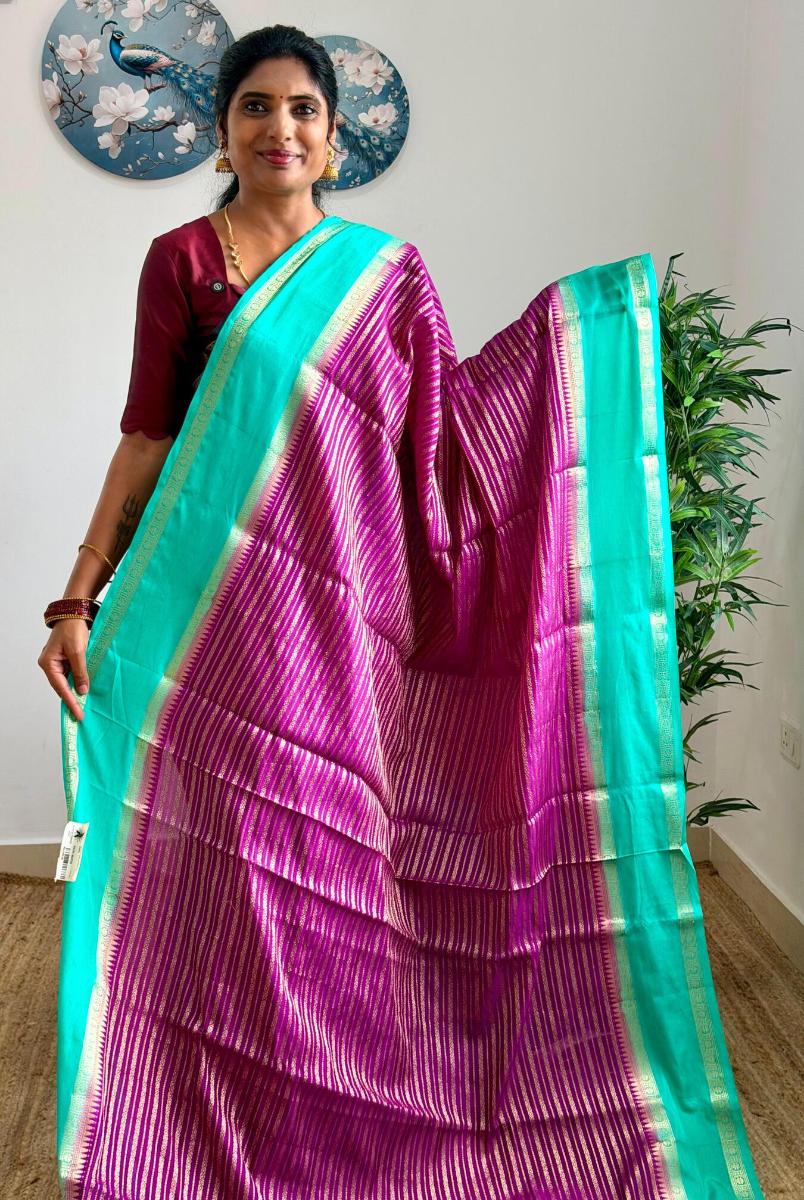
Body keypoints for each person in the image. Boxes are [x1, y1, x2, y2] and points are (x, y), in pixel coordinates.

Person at [41, 23, 765, 1200]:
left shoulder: (383, 277)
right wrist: (79, 596)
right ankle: (201, 1105)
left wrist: (577, 349)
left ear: (334, 139)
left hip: (340, 632)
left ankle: (329, 1106)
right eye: (256, 106)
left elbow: (441, 450)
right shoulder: (184, 262)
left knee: (321, 862)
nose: (279, 128)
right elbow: (148, 438)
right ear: (222, 131)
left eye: (302, 110)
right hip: (213, 626)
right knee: (236, 872)